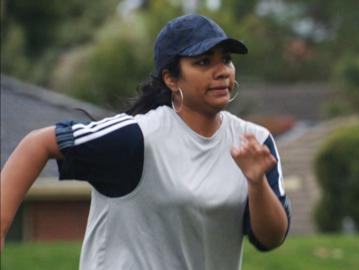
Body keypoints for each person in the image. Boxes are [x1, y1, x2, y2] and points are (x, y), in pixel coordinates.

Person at [1, 14, 291, 269]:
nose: (222, 71)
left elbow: (271, 239)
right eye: (203, 62)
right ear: (171, 79)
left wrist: (256, 183)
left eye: (226, 59)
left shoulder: (255, 142)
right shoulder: (137, 138)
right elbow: (38, 143)